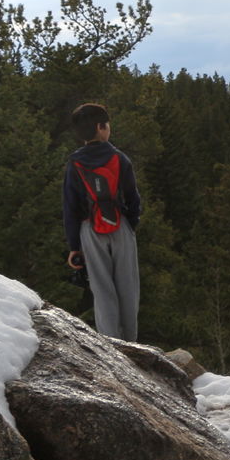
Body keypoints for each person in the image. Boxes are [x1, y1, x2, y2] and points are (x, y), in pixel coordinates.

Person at [62, 102, 143, 341]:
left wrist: (74, 246)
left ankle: (111, 346)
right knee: (128, 288)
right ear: (101, 127)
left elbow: (70, 207)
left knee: (102, 290)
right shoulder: (120, 158)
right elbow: (133, 199)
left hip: (90, 229)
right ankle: (131, 343)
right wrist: (130, 226)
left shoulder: (74, 163)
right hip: (121, 227)